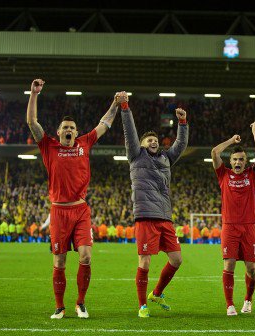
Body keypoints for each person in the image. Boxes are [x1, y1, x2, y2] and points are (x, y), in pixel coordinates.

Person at [26, 79, 120, 319]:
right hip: (58, 211)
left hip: (80, 211)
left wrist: (115, 103)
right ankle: (60, 306)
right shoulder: (48, 147)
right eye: (64, 128)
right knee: (59, 262)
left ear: (76, 132)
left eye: (72, 128)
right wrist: (34, 94)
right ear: (58, 132)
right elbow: (32, 122)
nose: (68, 130)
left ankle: (80, 303)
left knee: (86, 255)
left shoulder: (85, 143)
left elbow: (105, 123)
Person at [120, 95, 189, 318]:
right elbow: (130, 133)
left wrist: (182, 124)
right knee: (145, 261)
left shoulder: (166, 158)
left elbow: (181, 145)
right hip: (145, 216)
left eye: (155, 139)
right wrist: (125, 107)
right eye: (149, 139)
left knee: (177, 259)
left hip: (165, 217)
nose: (153, 141)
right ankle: (142, 305)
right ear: (140, 145)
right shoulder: (136, 156)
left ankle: (157, 293)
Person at [211, 122, 255, 316]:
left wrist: (254, 133)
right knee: (229, 264)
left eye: (241, 159)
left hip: (249, 227)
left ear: (245, 161)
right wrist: (231, 141)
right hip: (230, 227)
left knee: (251, 269)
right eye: (235, 159)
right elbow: (215, 153)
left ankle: (248, 300)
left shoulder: (252, 174)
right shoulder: (223, 174)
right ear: (231, 161)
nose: (238, 162)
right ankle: (230, 305)